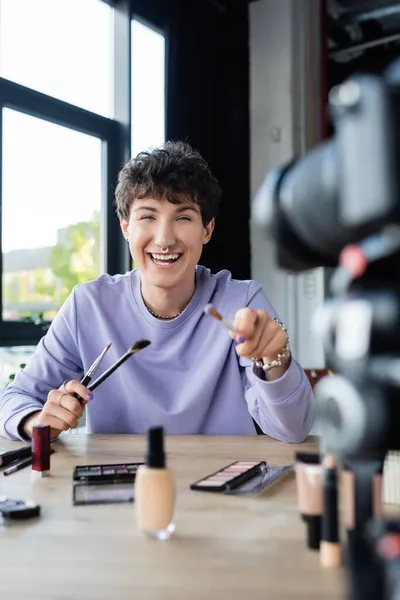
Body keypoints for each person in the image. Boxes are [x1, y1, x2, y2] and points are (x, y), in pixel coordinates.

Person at [0, 141, 314, 443]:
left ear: (207, 230)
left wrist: (275, 359)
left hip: (228, 482)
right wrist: (36, 421)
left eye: (183, 218)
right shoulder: (89, 305)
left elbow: (293, 430)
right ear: (126, 227)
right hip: (118, 485)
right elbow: (13, 400)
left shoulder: (241, 302)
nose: (164, 240)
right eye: (148, 217)